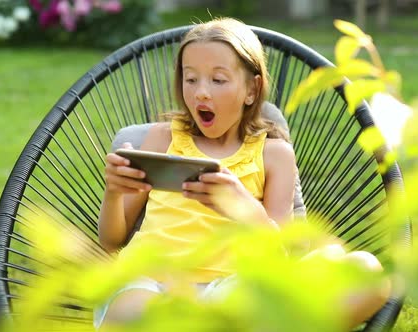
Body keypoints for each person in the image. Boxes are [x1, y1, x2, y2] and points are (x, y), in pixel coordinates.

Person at [96, 17, 389, 331]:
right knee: (135, 313)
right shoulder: (161, 138)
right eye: (190, 79)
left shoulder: (274, 155)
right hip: (152, 284)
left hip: (234, 290)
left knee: (367, 272)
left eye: (218, 80)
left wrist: (244, 206)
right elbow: (111, 241)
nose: (201, 93)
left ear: (252, 89)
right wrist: (114, 193)